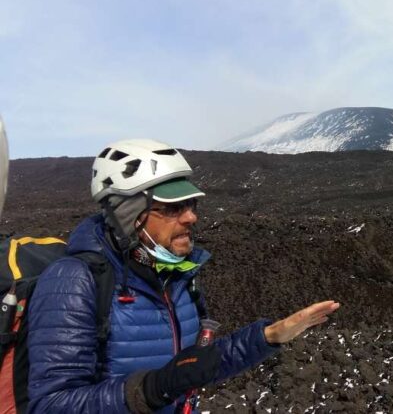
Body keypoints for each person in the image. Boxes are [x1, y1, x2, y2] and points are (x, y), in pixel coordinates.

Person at [26, 139, 340, 413]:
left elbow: (192, 368)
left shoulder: (175, 278)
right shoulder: (74, 281)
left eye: (189, 203)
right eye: (173, 207)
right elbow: (52, 404)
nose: (192, 216)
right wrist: (153, 389)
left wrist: (268, 336)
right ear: (129, 213)